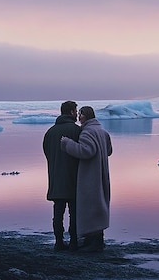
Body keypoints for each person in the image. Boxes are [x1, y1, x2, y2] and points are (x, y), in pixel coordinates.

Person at [61, 106, 113, 253]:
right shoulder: (102, 131)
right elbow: (109, 151)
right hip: (101, 174)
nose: (78, 117)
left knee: (90, 205)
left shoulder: (87, 132)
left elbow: (86, 151)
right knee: (99, 205)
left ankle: (94, 242)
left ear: (86, 116)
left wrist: (67, 143)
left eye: (81, 114)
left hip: (90, 176)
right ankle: (96, 240)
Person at [42, 100, 81, 251]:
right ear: (71, 112)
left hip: (56, 176)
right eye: (76, 111)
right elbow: (82, 151)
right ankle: (74, 242)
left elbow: (47, 152)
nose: (77, 114)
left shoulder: (50, 132)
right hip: (74, 176)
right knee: (74, 212)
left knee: (58, 212)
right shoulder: (76, 130)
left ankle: (58, 241)